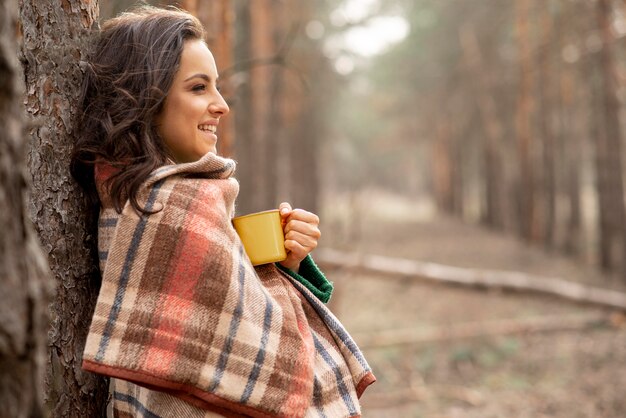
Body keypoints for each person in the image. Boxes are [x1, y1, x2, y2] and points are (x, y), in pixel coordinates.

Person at [71, 6, 374, 418]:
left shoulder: (132, 191)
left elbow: (229, 315)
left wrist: (286, 264)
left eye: (218, 87)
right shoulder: (166, 205)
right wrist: (273, 277)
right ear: (148, 97)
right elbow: (269, 352)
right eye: (198, 88)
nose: (221, 105)